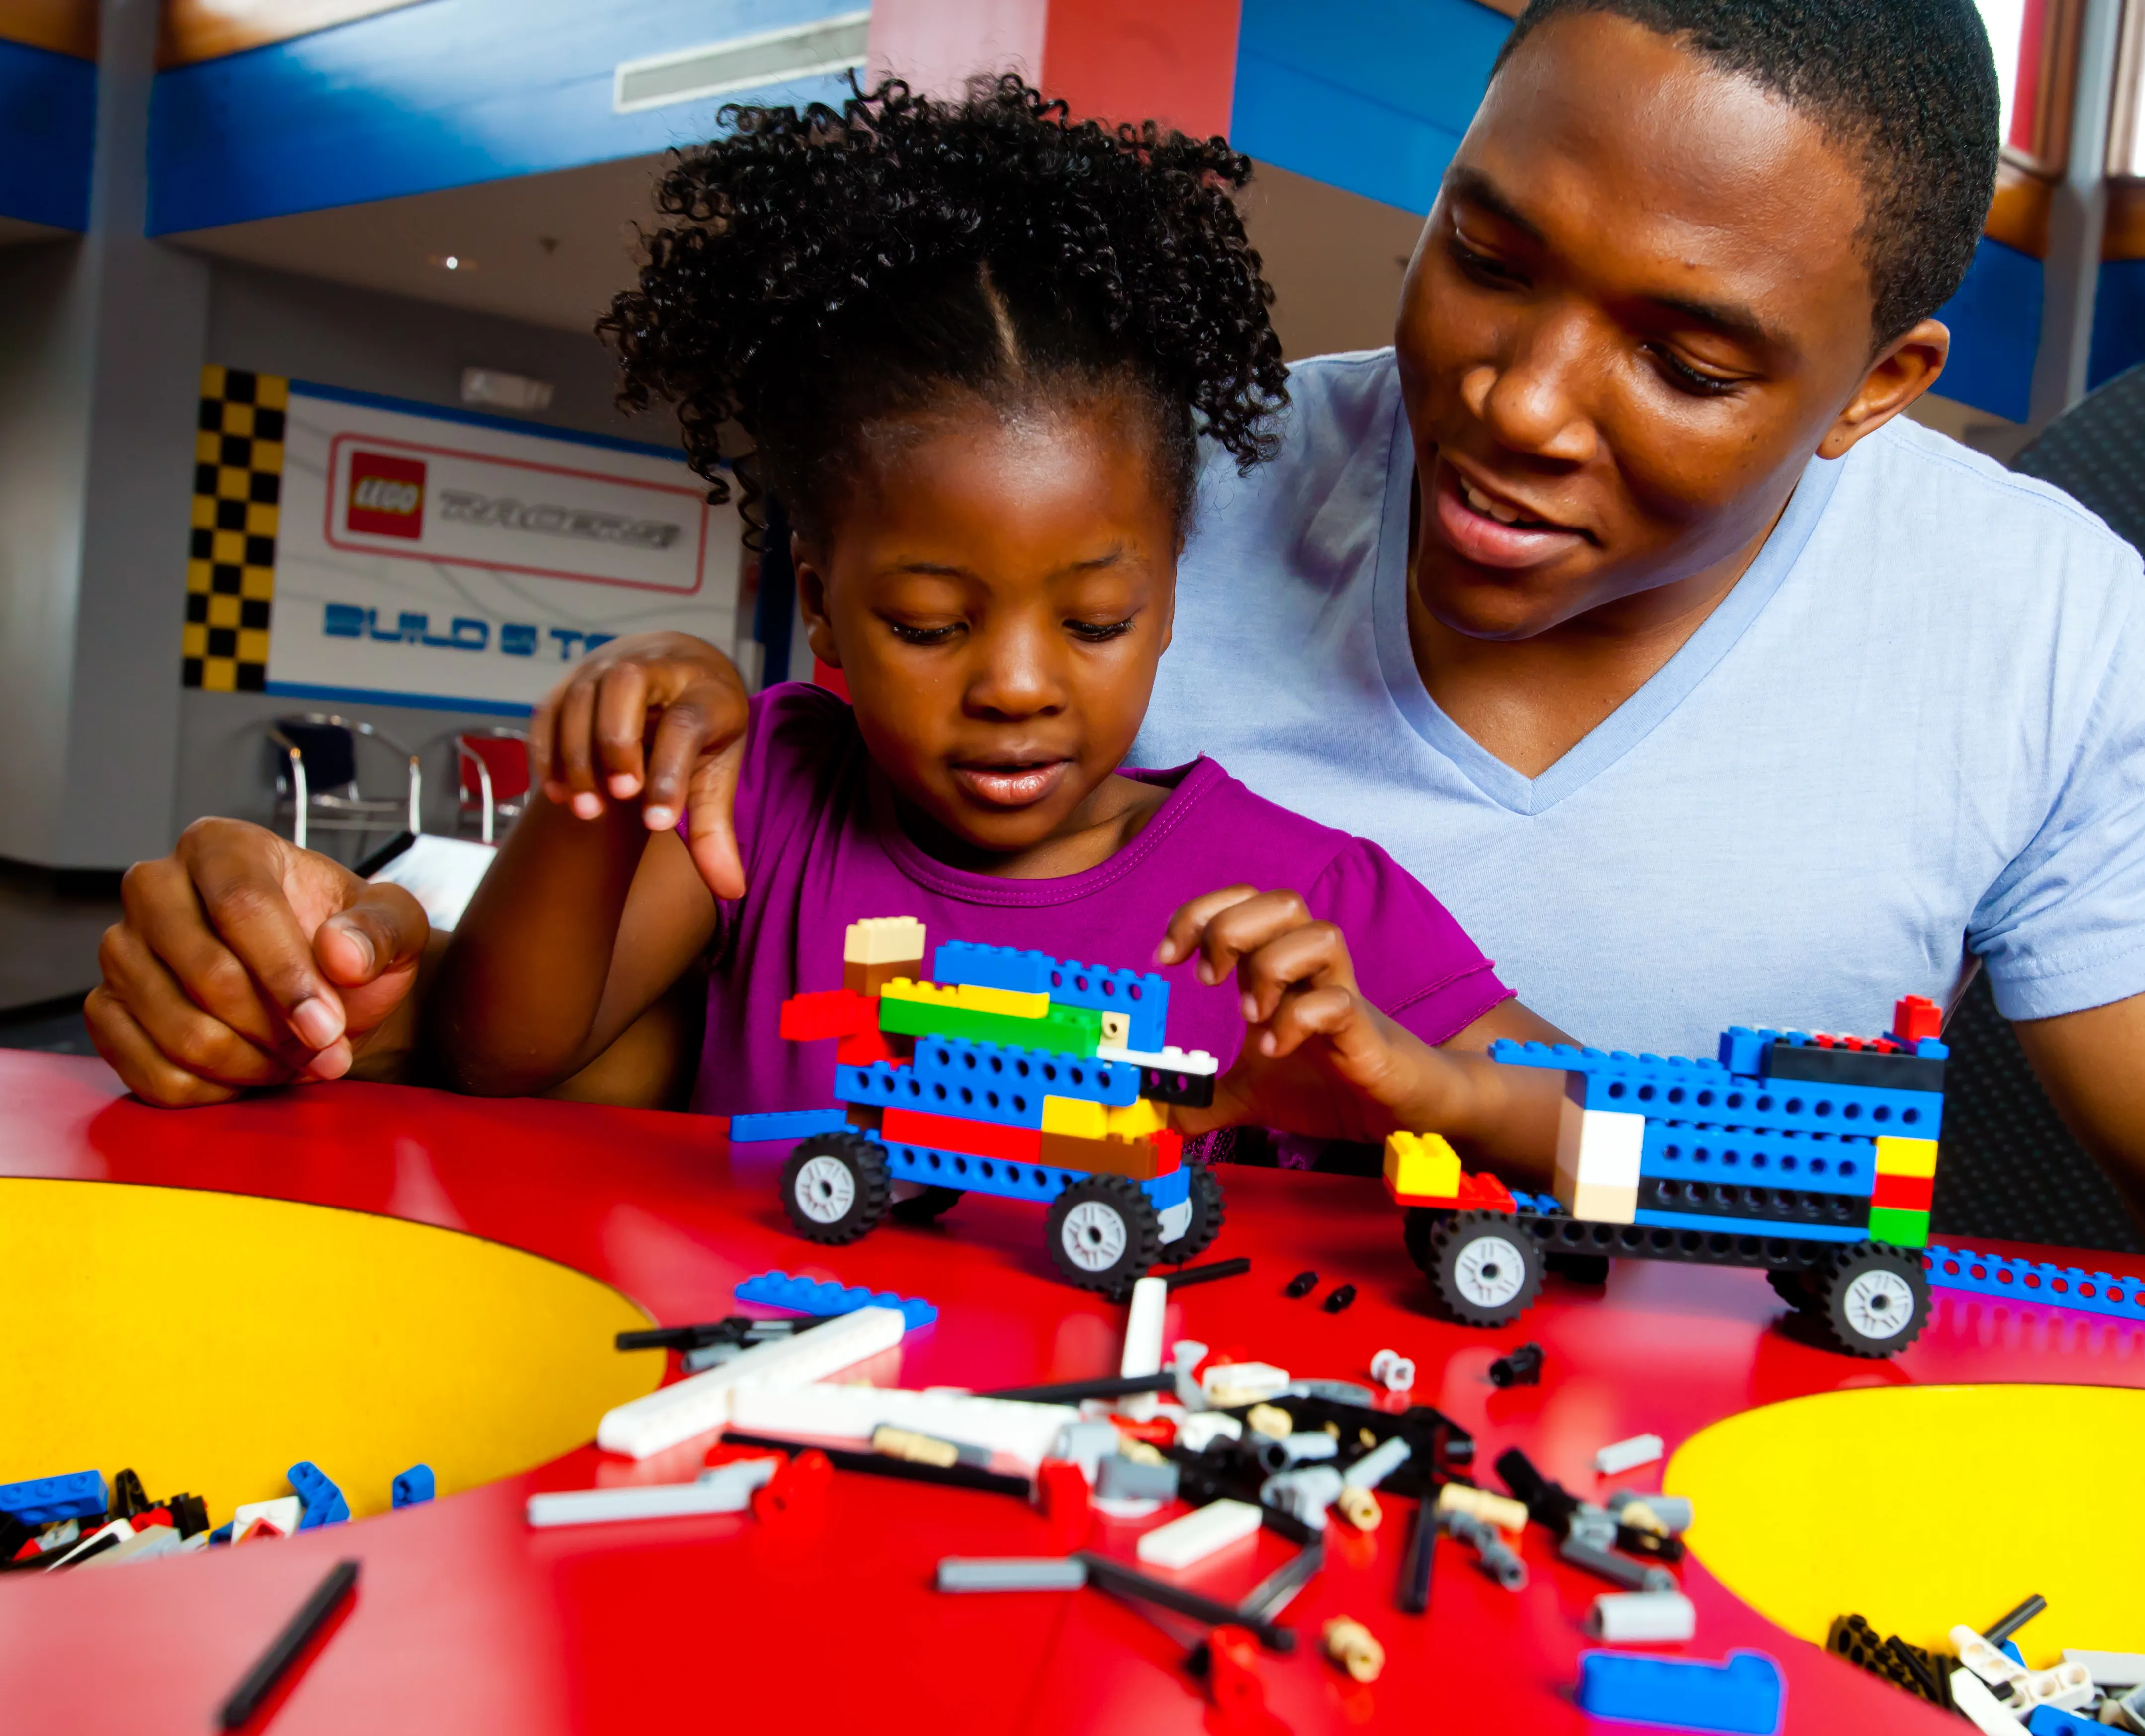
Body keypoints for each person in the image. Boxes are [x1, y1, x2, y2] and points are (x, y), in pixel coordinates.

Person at [91, 1, 2145, 1294]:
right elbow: (589, 950)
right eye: (1486, 248)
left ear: (1882, 388)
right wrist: (316, 948)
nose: (1510, 400)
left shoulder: (2035, 626)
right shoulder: (1145, 469)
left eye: (1687, 360)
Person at [104, 79, 1575, 1170]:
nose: (1015, 685)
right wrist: (606, 787)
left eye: (1097, 619)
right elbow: (499, 1052)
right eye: (933, 623)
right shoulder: (771, 795)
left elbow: (1588, 1115)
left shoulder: (1304, 890)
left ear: (1173, 591)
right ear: (819, 601)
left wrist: (1429, 1085)